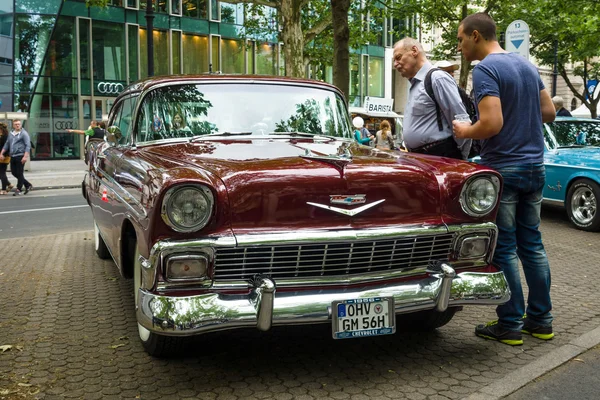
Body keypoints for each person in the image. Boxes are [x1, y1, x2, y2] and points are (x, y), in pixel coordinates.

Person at [453, 12, 556, 345]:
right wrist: (520, 112)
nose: (459, 46)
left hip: (505, 168)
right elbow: (549, 112)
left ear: (476, 36)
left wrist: (465, 129)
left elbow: (491, 124)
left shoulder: (486, 69)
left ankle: (510, 323)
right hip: (534, 167)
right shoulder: (526, 66)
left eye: (460, 39)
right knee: (534, 246)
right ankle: (541, 320)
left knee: (506, 248)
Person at [393, 37, 470, 159]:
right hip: (423, 157)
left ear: (414, 51)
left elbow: (460, 119)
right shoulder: (416, 84)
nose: (395, 64)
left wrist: (460, 158)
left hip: (439, 157)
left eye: (398, 57)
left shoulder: (437, 78)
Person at [0, 120, 33, 196]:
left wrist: (25, 156)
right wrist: (1, 153)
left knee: (20, 173)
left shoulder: (24, 134)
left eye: (19, 124)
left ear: (21, 125)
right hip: (13, 156)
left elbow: (28, 145)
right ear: (13, 125)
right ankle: (27, 185)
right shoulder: (11, 134)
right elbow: (7, 144)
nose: (17, 125)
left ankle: (18, 189)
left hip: (21, 155)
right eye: (16, 124)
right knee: (14, 173)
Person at [0, 122, 14, 195]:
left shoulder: (5, 136)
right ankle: (9, 185)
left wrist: (4, 155)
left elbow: (7, 147)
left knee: (2, 173)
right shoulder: (1, 135)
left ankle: (3, 189)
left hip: (4, 157)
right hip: (1, 156)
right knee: (1, 173)